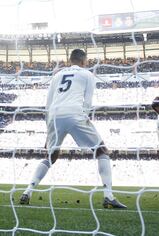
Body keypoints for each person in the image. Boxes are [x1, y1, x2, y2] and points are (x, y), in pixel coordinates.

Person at [19, 49, 126, 209]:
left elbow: (48, 104)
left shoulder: (57, 76)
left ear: (70, 60)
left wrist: (48, 133)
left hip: (54, 116)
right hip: (75, 113)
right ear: (84, 61)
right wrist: (82, 118)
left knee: (51, 157)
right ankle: (108, 196)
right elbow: (87, 103)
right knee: (102, 151)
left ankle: (27, 192)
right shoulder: (87, 74)